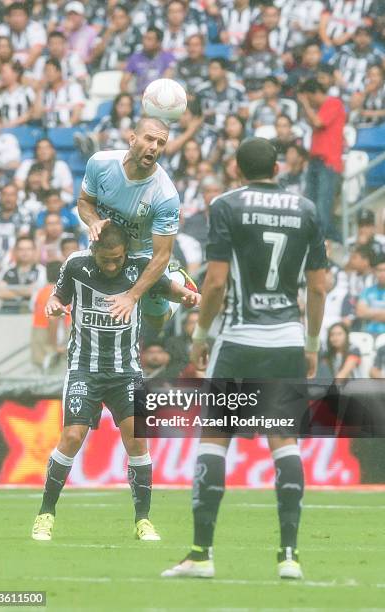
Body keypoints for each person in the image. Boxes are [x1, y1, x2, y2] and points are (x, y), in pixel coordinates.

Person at [162, 137, 327, 580]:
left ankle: (200, 554)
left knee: (215, 440)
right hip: (287, 339)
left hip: (238, 339)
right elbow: (318, 286)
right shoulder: (306, 209)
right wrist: (311, 343)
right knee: (284, 442)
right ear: (277, 167)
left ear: (237, 168)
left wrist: (201, 335)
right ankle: (289, 556)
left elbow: (214, 284)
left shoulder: (227, 205)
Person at [31, 223, 200, 541]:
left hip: (127, 372)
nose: (111, 265)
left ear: (125, 253)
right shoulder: (76, 265)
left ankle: (143, 521)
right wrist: (53, 305)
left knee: (137, 441)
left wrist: (190, 296)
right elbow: (57, 296)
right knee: (71, 436)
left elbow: (166, 288)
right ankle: (45, 514)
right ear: (93, 251)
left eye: (117, 259)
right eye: (105, 259)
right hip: (85, 369)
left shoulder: (138, 267)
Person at [77, 116, 192, 330]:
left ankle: (176, 278)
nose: (154, 147)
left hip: (143, 254)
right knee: (100, 313)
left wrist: (132, 297)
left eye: (160, 143)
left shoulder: (165, 195)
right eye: (149, 139)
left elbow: (162, 255)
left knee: (156, 321)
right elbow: (84, 201)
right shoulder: (100, 163)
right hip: (106, 247)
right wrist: (93, 221)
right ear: (132, 139)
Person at [298, 78, 346, 240]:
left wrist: (305, 104)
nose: (309, 102)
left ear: (315, 93)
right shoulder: (319, 109)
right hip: (315, 161)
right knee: (310, 206)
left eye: (309, 98)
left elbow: (318, 123)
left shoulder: (334, 103)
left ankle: (331, 243)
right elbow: (313, 122)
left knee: (323, 209)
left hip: (328, 162)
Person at [0, 236, 46, 313]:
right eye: (21, 249)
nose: (25, 252)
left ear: (34, 251)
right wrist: (24, 293)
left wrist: (10, 290)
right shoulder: (7, 269)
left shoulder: (41, 270)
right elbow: (0, 292)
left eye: (28, 249)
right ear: (15, 251)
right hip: (6, 313)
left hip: (31, 314)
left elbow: (36, 292)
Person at [120, 27, 175, 97]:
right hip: (139, 99)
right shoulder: (135, 58)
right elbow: (123, 83)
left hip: (161, 98)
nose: (144, 42)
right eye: (144, 38)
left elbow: (167, 81)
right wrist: (130, 100)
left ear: (158, 42)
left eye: (149, 39)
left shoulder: (168, 58)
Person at [34, 58, 85, 128]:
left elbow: (76, 116)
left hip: (67, 129)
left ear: (59, 72)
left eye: (49, 70)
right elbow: (36, 115)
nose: (47, 74)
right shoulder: (44, 92)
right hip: (47, 130)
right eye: (45, 71)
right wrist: (39, 90)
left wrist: (63, 127)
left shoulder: (73, 88)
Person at [0, 2, 46, 69]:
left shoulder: (36, 27)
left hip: (31, 67)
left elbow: (37, 50)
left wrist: (22, 69)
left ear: (27, 17)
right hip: (7, 68)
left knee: (41, 61)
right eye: (14, 15)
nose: (16, 19)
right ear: (8, 18)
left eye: (20, 15)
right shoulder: (2, 29)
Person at [356, 255, 385, 336]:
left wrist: (369, 313)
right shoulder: (367, 291)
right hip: (367, 334)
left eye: (384, 270)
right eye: (379, 270)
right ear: (374, 272)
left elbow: (365, 312)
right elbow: (360, 313)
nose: (382, 274)